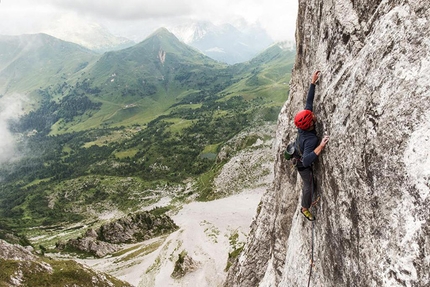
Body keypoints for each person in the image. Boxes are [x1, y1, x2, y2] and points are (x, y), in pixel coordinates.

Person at [294, 70, 329, 221]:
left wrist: (312, 83)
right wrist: (320, 146)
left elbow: (309, 102)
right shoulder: (311, 140)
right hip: (302, 164)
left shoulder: (304, 125)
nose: (313, 114)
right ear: (309, 123)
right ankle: (304, 208)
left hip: (297, 150)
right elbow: (307, 160)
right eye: (312, 116)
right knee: (308, 185)